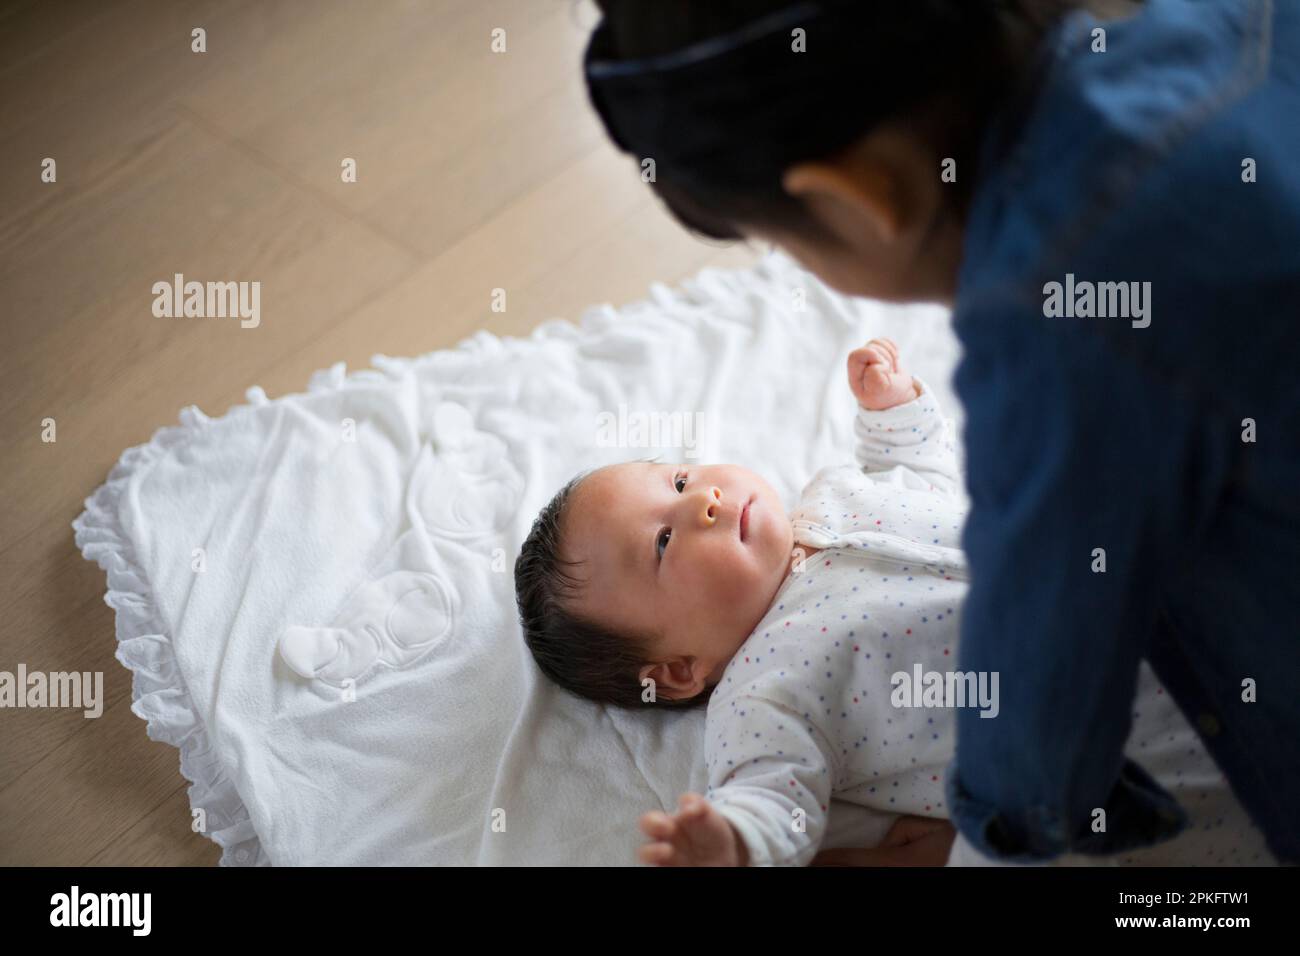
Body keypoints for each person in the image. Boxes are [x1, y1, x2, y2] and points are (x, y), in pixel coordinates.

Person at [580, 0, 1300, 864]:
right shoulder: (1232, 24)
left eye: (682, 477)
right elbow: (768, 795)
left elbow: (1040, 679)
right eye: (661, 539)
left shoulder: (1051, 323)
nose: (700, 503)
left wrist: (990, 818)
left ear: (860, 197)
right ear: (678, 672)